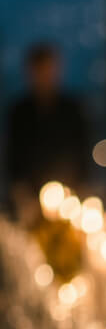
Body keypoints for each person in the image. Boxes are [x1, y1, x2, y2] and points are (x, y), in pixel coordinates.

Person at [6, 42, 89, 206]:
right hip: (29, 197)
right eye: (40, 69)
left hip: (68, 194)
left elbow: (82, 149)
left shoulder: (72, 109)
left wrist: (80, 188)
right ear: (30, 72)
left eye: (49, 68)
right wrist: (19, 191)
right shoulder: (19, 111)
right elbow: (14, 154)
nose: (45, 75)